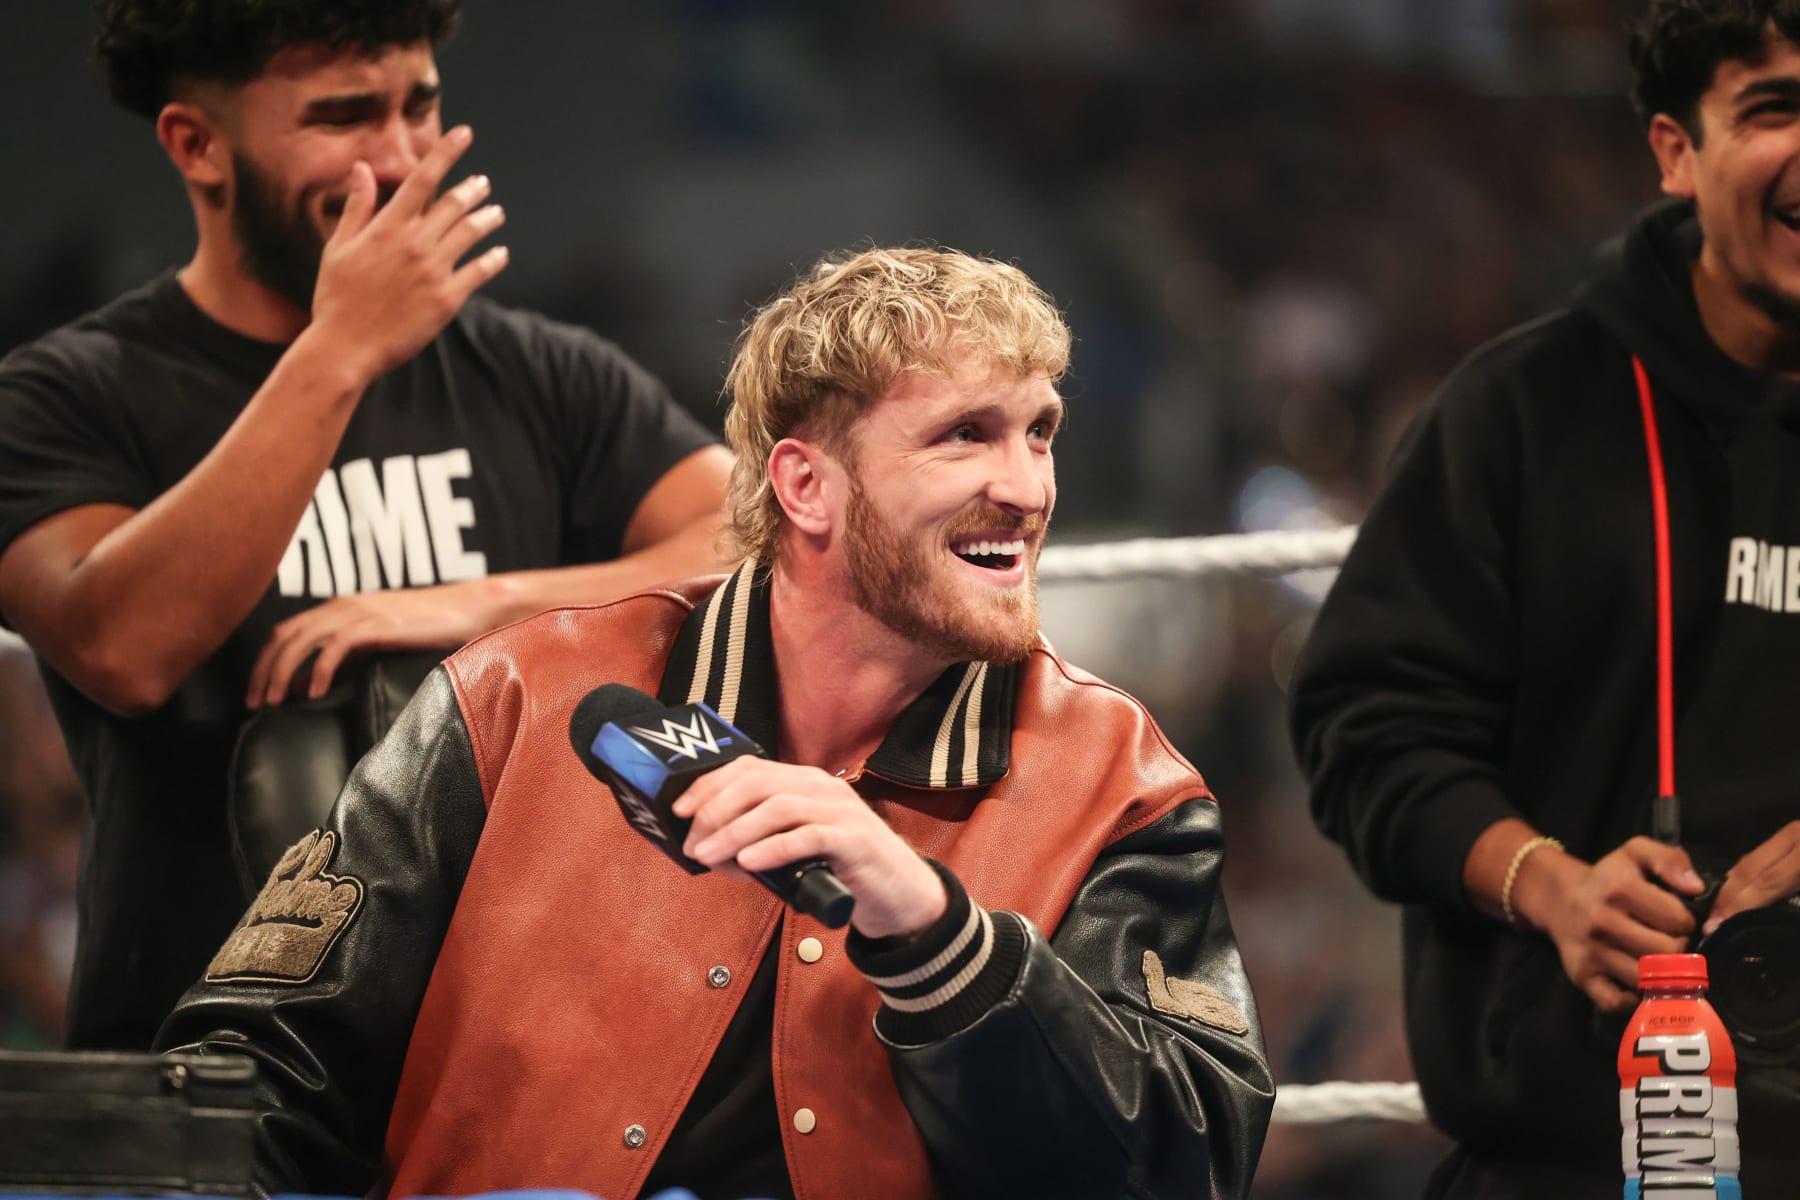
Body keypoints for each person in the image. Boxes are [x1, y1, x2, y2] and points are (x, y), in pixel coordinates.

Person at [156, 246, 1274, 1199]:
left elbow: (1188, 1163)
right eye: (965, 436)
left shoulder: (1120, 782)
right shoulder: (522, 693)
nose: (1028, 487)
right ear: (806, 485)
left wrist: (939, 935)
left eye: (1041, 431)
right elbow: (252, 1073)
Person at [0, 0, 733, 1052]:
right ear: (198, 145)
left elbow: (761, 536)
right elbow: (121, 645)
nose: (399, 158)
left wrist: (487, 607)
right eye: (344, 117)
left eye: (421, 104)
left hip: (506, 1063)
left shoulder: (537, 373)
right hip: (199, 1073)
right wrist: (338, 353)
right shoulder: (66, 397)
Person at [1289, 3, 1800, 1196]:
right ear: (1675, 150)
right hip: (1573, 1143)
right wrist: (1549, 884)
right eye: (1775, 111)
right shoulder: (1521, 412)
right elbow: (1367, 732)